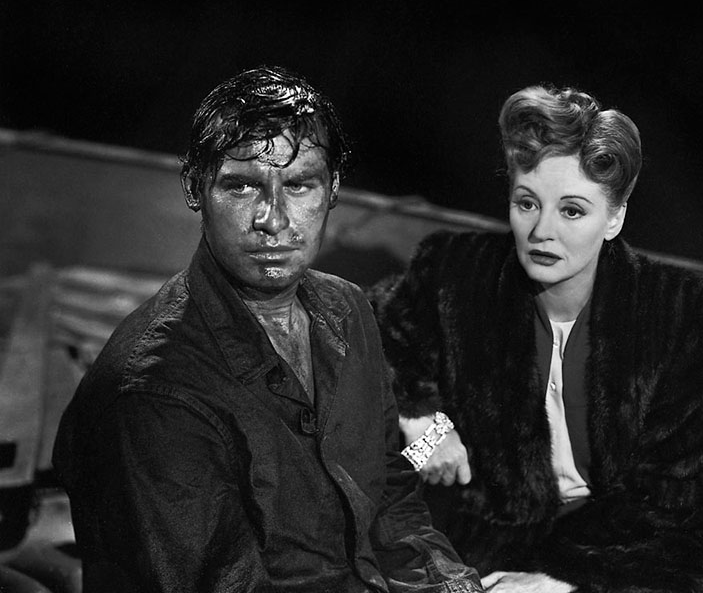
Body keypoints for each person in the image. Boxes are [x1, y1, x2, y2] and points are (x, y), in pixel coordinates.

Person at [52, 65, 483, 593]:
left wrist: (456, 586)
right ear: (194, 187)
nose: (273, 218)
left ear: (333, 189)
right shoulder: (153, 394)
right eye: (242, 186)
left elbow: (390, 493)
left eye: (299, 185)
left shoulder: (348, 309)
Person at [372, 85, 703, 592]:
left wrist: (559, 579)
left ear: (614, 218)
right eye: (527, 203)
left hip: (638, 552)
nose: (542, 231)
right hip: (491, 540)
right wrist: (423, 424)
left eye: (572, 211)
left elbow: (676, 497)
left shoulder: (683, 311)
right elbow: (368, 343)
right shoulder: (456, 273)